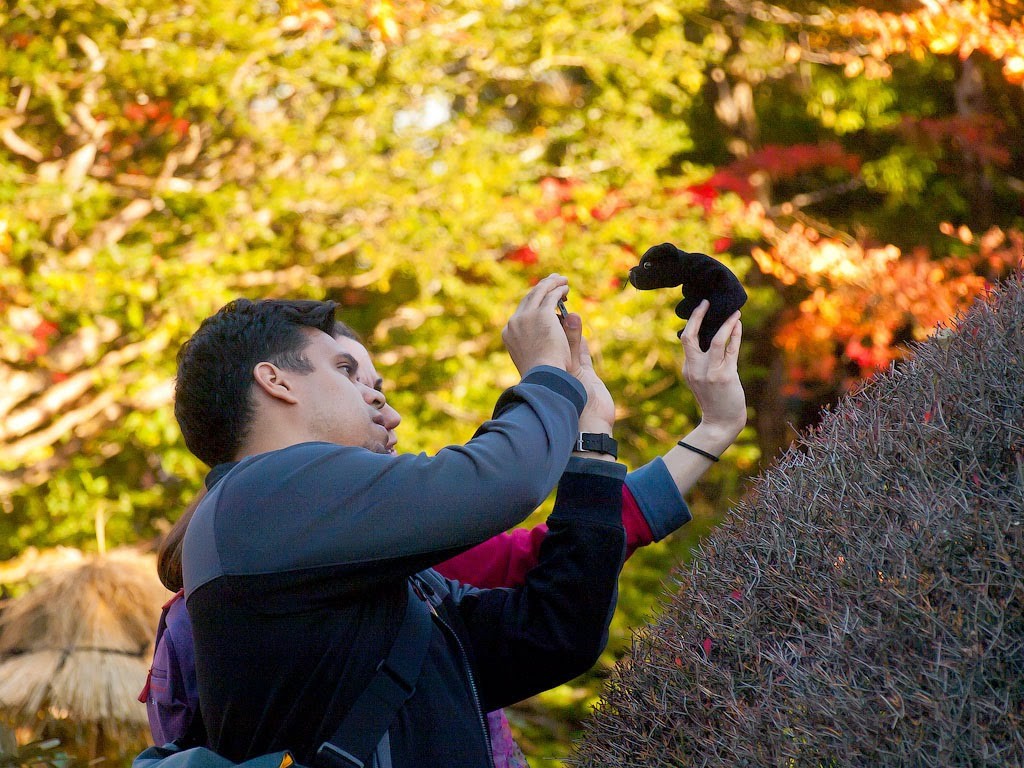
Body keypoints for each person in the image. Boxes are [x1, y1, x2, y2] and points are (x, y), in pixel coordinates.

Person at [142, 296, 745, 767]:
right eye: (345, 369)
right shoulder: (259, 495)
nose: (382, 405)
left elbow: (553, 633)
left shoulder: (358, 558)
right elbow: (503, 482)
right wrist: (546, 375)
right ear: (277, 382)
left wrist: (590, 435)